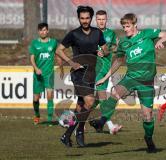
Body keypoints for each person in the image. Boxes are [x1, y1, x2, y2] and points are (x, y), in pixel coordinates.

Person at [93, 13, 166, 153]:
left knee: (147, 117)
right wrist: (105, 78)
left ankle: (149, 139)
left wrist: (160, 41)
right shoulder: (124, 43)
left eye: (128, 26)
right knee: (115, 92)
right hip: (131, 77)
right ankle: (101, 121)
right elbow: (118, 61)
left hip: (146, 82)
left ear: (135, 25)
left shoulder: (147, 34)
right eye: (123, 27)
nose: (125, 29)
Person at [56, 6, 108, 147]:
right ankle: (76, 132)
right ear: (79, 18)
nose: (84, 21)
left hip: (91, 73)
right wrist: (71, 63)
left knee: (81, 106)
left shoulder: (97, 33)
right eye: (82, 18)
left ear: (91, 18)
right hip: (78, 74)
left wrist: (103, 52)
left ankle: (71, 134)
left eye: (87, 18)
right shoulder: (73, 34)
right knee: (90, 102)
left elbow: (106, 49)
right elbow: (59, 50)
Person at [89, 10, 122, 134]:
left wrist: (107, 50)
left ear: (106, 20)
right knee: (102, 97)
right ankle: (111, 126)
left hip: (107, 69)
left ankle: (79, 120)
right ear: (95, 20)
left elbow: (115, 47)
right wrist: (94, 51)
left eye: (103, 19)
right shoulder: (91, 34)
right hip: (96, 70)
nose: (101, 21)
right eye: (99, 19)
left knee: (95, 100)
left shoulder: (111, 34)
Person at [29, 23, 64, 126]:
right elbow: (32, 58)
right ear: (38, 32)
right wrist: (36, 68)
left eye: (45, 30)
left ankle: (49, 119)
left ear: (47, 31)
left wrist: (61, 67)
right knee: (36, 98)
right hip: (37, 74)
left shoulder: (53, 42)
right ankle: (37, 115)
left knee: (49, 96)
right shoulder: (34, 43)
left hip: (49, 74)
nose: (43, 32)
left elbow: (57, 55)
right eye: (41, 30)